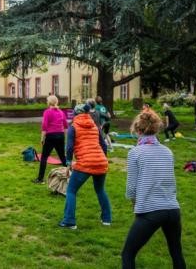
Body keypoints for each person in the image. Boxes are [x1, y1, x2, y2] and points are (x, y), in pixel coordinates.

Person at [121, 111, 185, 269]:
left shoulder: (135, 153)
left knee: (127, 254)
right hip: (172, 209)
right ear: (156, 129)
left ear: (138, 130)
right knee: (176, 251)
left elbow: (131, 187)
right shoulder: (167, 151)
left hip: (150, 211)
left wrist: (135, 204)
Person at [58, 103, 110, 229]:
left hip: (85, 163)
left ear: (76, 114)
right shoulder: (94, 126)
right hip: (100, 161)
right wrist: (102, 158)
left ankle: (69, 221)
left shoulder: (73, 126)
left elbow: (69, 147)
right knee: (100, 190)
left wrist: (69, 162)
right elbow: (103, 145)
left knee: (71, 190)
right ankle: (107, 219)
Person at [33, 95, 68, 184]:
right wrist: (65, 137)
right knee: (62, 157)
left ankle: (40, 179)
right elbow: (65, 126)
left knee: (44, 157)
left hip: (51, 136)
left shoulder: (47, 112)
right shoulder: (61, 112)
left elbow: (44, 126)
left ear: (49, 102)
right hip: (60, 135)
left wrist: (42, 138)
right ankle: (69, 176)